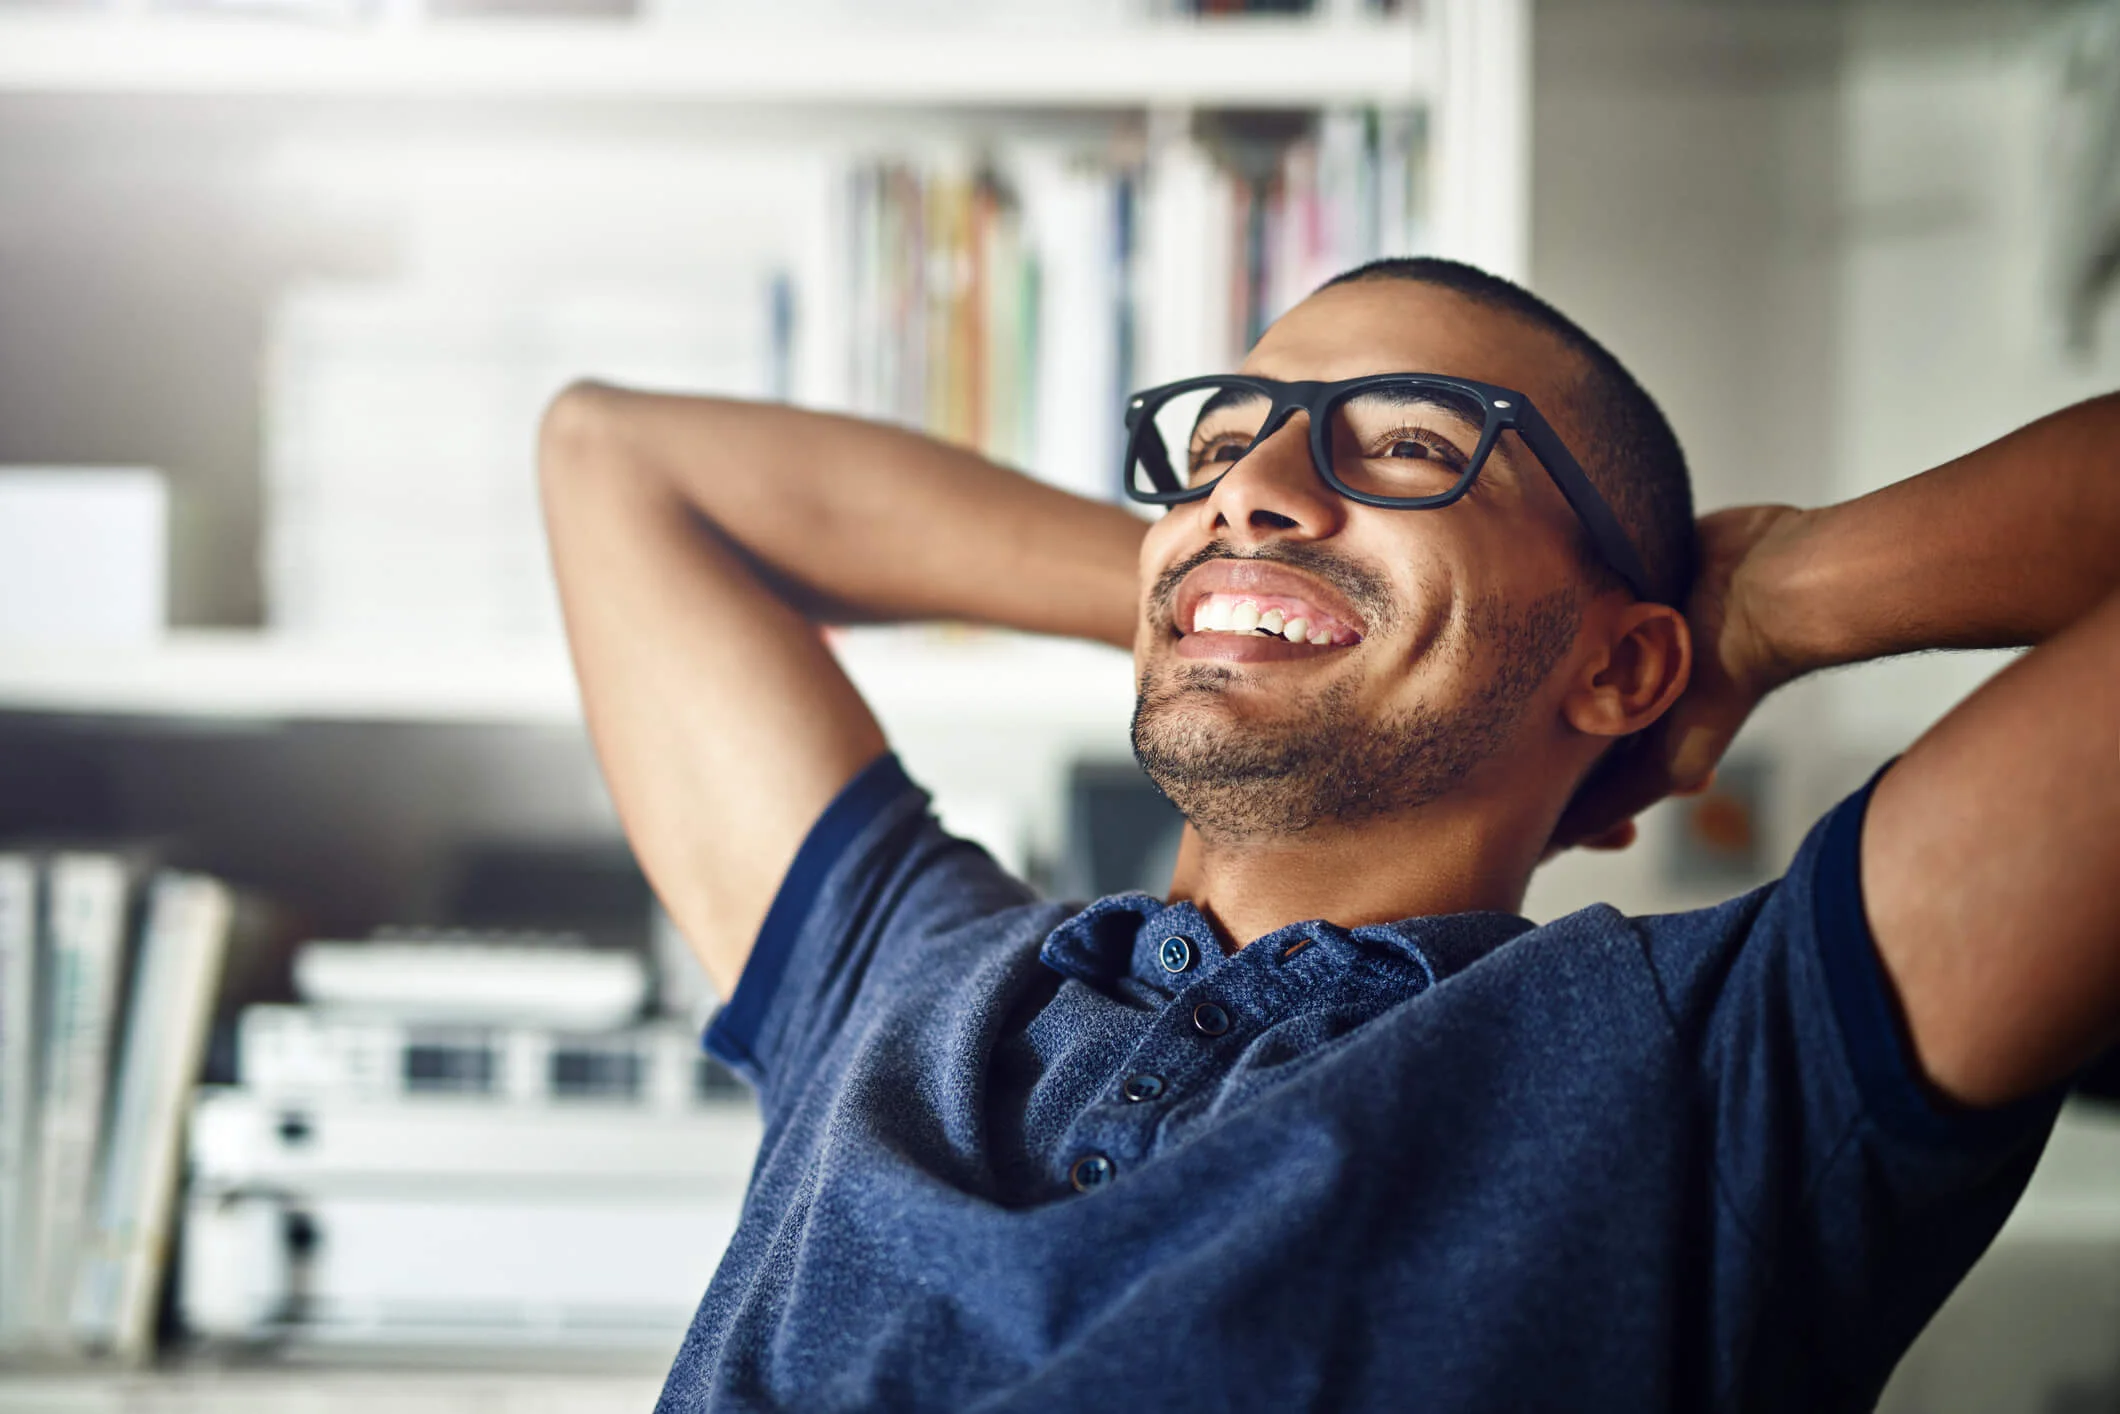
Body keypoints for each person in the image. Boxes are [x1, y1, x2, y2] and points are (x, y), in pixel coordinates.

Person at [537, 257, 2120, 1412]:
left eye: (1418, 446)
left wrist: (1770, 605)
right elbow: (615, 457)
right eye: (1221, 441)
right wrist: (1222, 585)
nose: (1258, 481)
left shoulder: (1731, 1066)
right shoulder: (901, 972)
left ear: (1621, 663)